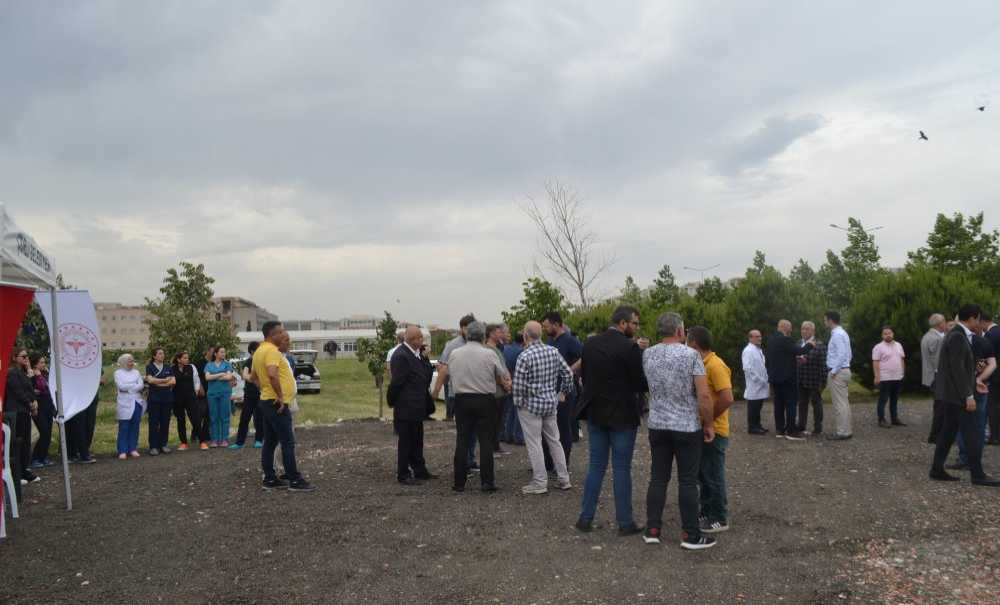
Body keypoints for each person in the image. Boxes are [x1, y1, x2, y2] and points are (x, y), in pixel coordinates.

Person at [641, 312, 716, 550]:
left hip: (658, 424)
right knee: (687, 480)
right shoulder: (691, 355)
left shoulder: (648, 354)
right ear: (680, 331)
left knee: (658, 478)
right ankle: (690, 534)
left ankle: (652, 529)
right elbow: (704, 395)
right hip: (685, 425)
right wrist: (709, 423)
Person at [575, 305, 648, 535]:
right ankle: (625, 523)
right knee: (621, 469)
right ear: (623, 323)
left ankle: (585, 518)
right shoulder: (630, 348)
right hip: (623, 416)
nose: (636, 328)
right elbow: (640, 384)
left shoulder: (590, 344)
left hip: (596, 413)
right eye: (634, 323)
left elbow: (585, 377)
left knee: (595, 466)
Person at [928, 304, 999, 486]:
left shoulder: (957, 334)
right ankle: (978, 475)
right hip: (958, 395)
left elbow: (961, 369)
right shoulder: (958, 336)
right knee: (972, 432)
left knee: (949, 431)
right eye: (978, 319)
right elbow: (958, 370)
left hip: (953, 394)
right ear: (973, 318)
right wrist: (968, 395)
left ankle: (937, 469)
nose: (979, 323)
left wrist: (976, 383)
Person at [446, 321, 511, 492]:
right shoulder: (489, 354)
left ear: (468, 335)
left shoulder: (455, 353)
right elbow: (501, 373)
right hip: (484, 400)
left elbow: (451, 374)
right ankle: (487, 482)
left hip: (462, 400)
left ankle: (459, 482)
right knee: (486, 441)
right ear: (483, 336)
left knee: (462, 440)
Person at [251, 321, 315, 492]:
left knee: (270, 442)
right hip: (276, 403)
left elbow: (253, 377)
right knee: (287, 441)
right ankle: (294, 480)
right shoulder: (271, 350)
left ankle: (270, 479)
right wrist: (279, 396)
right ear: (273, 334)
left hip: (267, 400)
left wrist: (264, 390)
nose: (284, 335)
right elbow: (272, 374)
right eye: (281, 332)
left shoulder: (259, 351)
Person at [514, 321, 574, 495]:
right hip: (550, 403)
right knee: (555, 441)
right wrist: (562, 392)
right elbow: (568, 374)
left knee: (535, 443)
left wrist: (520, 403)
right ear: (540, 334)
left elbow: (518, 386)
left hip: (530, 406)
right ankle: (564, 479)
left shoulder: (524, 356)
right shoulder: (553, 351)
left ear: (526, 335)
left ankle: (540, 482)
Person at [686, 326, 733, 534]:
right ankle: (706, 511)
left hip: (716, 429)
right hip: (703, 427)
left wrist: (709, 421)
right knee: (703, 474)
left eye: (687, 341)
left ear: (694, 343)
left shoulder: (715, 365)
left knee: (714, 474)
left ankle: (719, 518)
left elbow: (727, 397)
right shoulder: (701, 364)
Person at [387, 326, 436, 485]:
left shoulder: (416, 354)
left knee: (417, 440)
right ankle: (403, 473)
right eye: (420, 338)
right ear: (413, 339)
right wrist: (392, 401)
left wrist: (425, 358)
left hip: (417, 406)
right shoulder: (401, 355)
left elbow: (425, 376)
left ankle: (419, 470)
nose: (422, 340)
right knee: (406, 442)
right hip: (406, 407)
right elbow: (397, 383)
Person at [432, 314, 478, 469]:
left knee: (474, 432)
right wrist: (437, 390)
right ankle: (463, 463)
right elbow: (442, 368)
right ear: (462, 328)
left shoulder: (479, 344)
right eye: (467, 328)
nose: (469, 331)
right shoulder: (452, 345)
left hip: (476, 393)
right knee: (464, 431)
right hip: (457, 393)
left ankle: (471, 460)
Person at [948, 317, 995, 471]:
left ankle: (964, 458)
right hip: (982, 386)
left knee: (963, 425)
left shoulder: (958, 341)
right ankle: (976, 458)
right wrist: (980, 378)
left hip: (964, 388)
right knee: (979, 425)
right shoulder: (984, 342)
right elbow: (992, 364)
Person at [541, 312, 582, 470]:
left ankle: (563, 463)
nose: (545, 329)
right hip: (549, 390)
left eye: (546, 326)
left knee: (563, 427)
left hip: (565, 391)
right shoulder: (550, 340)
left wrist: (570, 370)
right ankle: (548, 463)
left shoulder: (570, 340)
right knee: (547, 427)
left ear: (556, 324)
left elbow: (583, 356)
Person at [765, 320, 814, 440]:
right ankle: (791, 431)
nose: (791, 330)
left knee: (778, 404)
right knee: (791, 403)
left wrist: (793, 360)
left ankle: (779, 430)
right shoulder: (786, 340)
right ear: (784, 327)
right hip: (788, 378)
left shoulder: (771, 340)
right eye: (790, 328)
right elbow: (799, 351)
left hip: (775, 378)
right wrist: (810, 344)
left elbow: (781, 357)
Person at [6, 350, 39, 491]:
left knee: (26, 442)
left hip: (25, 411)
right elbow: (18, 392)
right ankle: (16, 473)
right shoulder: (12, 373)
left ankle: (24, 470)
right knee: (18, 442)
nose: (26, 359)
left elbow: (30, 390)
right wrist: (30, 404)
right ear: (14, 358)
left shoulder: (24, 373)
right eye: (23, 356)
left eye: (27, 357)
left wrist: (34, 401)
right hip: (17, 411)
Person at [825, 311, 854, 441]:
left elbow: (842, 354)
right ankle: (846, 430)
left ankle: (842, 432)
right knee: (844, 402)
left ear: (830, 320)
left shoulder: (837, 334)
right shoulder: (843, 333)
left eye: (825, 319)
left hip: (838, 372)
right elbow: (849, 354)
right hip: (844, 370)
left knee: (839, 404)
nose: (824, 321)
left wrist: (834, 371)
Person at [795, 322, 827, 436]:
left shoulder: (819, 344)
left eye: (807, 329)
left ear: (813, 331)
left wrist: (823, 381)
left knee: (816, 404)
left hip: (814, 380)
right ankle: (801, 426)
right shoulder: (798, 343)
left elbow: (824, 364)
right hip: (800, 379)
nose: (804, 331)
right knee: (802, 403)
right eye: (802, 328)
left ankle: (818, 427)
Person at [872, 326, 906, 428]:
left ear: (893, 333)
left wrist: (902, 373)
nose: (888, 335)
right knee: (883, 399)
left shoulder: (899, 345)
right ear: (882, 335)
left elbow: (902, 359)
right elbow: (875, 362)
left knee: (894, 399)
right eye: (885, 333)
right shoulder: (878, 347)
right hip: (885, 377)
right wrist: (877, 376)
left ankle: (894, 419)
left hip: (897, 377)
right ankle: (881, 420)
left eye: (889, 333)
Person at [485, 323, 511, 457]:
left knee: (499, 421)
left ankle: (496, 446)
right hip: (495, 391)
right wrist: (505, 384)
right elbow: (495, 372)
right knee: (493, 421)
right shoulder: (488, 349)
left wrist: (509, 381)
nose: (501, 333)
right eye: (498, 332)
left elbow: (503, 367)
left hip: (502, 391)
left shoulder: (498, 349)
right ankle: (491, 449)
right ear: (491, 334)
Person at [231, 342, 263, 449]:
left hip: (261, 394)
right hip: (249, 394)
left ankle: (259, 440)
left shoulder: (262, 361)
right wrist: (254, 379)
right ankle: (240, 442)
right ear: (252, 351)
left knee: (259, 418)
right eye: (259, 349)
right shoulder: (248, 361)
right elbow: (244, 375)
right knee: (245, 418)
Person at [922, 313, 948, 443]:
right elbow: (938, 360)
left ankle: (936, 435)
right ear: (939, 324)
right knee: (940, 407)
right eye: (944, 322)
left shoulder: (928, 336)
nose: (946, 324)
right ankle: (935, 436)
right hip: (937, 376)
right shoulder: (936, 338)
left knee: (939, 406)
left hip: (932, 375)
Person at [144, 347, 175, 455]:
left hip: (167, 399)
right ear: (154, 356)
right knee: (154, 422)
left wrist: (159, 383)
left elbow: (173, 382)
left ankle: (163, 444)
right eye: (160, 353)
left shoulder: (168, 367)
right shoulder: (150, 367)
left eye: (163, 353)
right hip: (154, 399)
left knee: (165, 422)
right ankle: (153, 446)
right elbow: (150, 380)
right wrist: (164, 380)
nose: (162, 355)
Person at [114, 354, 146, 460]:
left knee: (135, 426)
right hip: (124, 402)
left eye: (132, 361)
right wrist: (133, 385)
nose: (132, 363)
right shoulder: (118, 373)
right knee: (124, 427)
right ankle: (122, 450)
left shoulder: (136, 372)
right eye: (129, 361)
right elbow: (121, 386)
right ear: (123, 362)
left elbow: (141, 385)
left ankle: (133, 448)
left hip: (137, 401)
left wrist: (129, 388)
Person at [171, 351, 204, 451]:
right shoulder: (172, 369)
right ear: (178, 359)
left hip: (191, 397)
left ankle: (202, 441)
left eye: (187, 358)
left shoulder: (191, 367)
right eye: (184, 358)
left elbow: (196, 380)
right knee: (180, 420)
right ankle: (183, 443)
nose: (187, 360)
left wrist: (196, 390)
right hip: (178, 398)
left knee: (196, 419)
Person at [204, 347, 235, 448]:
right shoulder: (209, 365)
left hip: (225, 393)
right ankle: (214, 440)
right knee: (213, 416)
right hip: (212, 394)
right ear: (215, 354)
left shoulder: (227, 364)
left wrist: (215, 376)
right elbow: (207, 377)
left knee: (225, 416)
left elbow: (229, 377)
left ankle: (224, 439)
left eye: (224, 352)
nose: (224, 353)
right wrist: (221, 374)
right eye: (221, 352)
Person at [29, 354, 56, 468]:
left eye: (44, 362)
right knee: (43, 432)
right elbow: (42, 388)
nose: (43, 364)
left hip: (48, 406)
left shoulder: (46, 374)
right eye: (41, 362)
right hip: (39, 407)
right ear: (35, 364)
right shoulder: (33, 375)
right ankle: (35, 458)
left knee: (48, 432)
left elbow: (50, 388)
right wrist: (39, 377)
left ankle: (43, 457)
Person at [741, 330, 769, 434]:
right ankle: (752, 427)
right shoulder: (748, 351)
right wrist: (758, 379)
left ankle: (758, 425)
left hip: (761, 383)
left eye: (760, 336)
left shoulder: (757, 349)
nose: (759, 338)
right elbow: (747, 368)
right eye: (757, 336)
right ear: (750, 338)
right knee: (753, 406)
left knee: (758, 406)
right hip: (754, 384)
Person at [501, 330, 526, 445]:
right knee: (518, 411)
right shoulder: (522, 351)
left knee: (509, 410)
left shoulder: (505, 349)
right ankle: (518, 436)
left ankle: (507, 435)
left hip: (505, 381)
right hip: (517, 382)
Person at [981, 313, 1000, 445]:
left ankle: (995, 436)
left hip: (994, 375)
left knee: (992, 406)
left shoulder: (989, 335)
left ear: (982, 321)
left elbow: (986, 357)